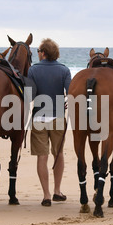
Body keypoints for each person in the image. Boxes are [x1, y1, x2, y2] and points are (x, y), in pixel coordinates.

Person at [28, 38, 72, 207]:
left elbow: (29, 96)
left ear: (44, 53)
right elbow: (70, 92)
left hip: (39, 117)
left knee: (42, 156)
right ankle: (57, 191)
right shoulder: (64, 70)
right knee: (58, 153)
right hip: (57, 117)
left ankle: (46, 195)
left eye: (39, 51)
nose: (38, 53)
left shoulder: (33, 70)